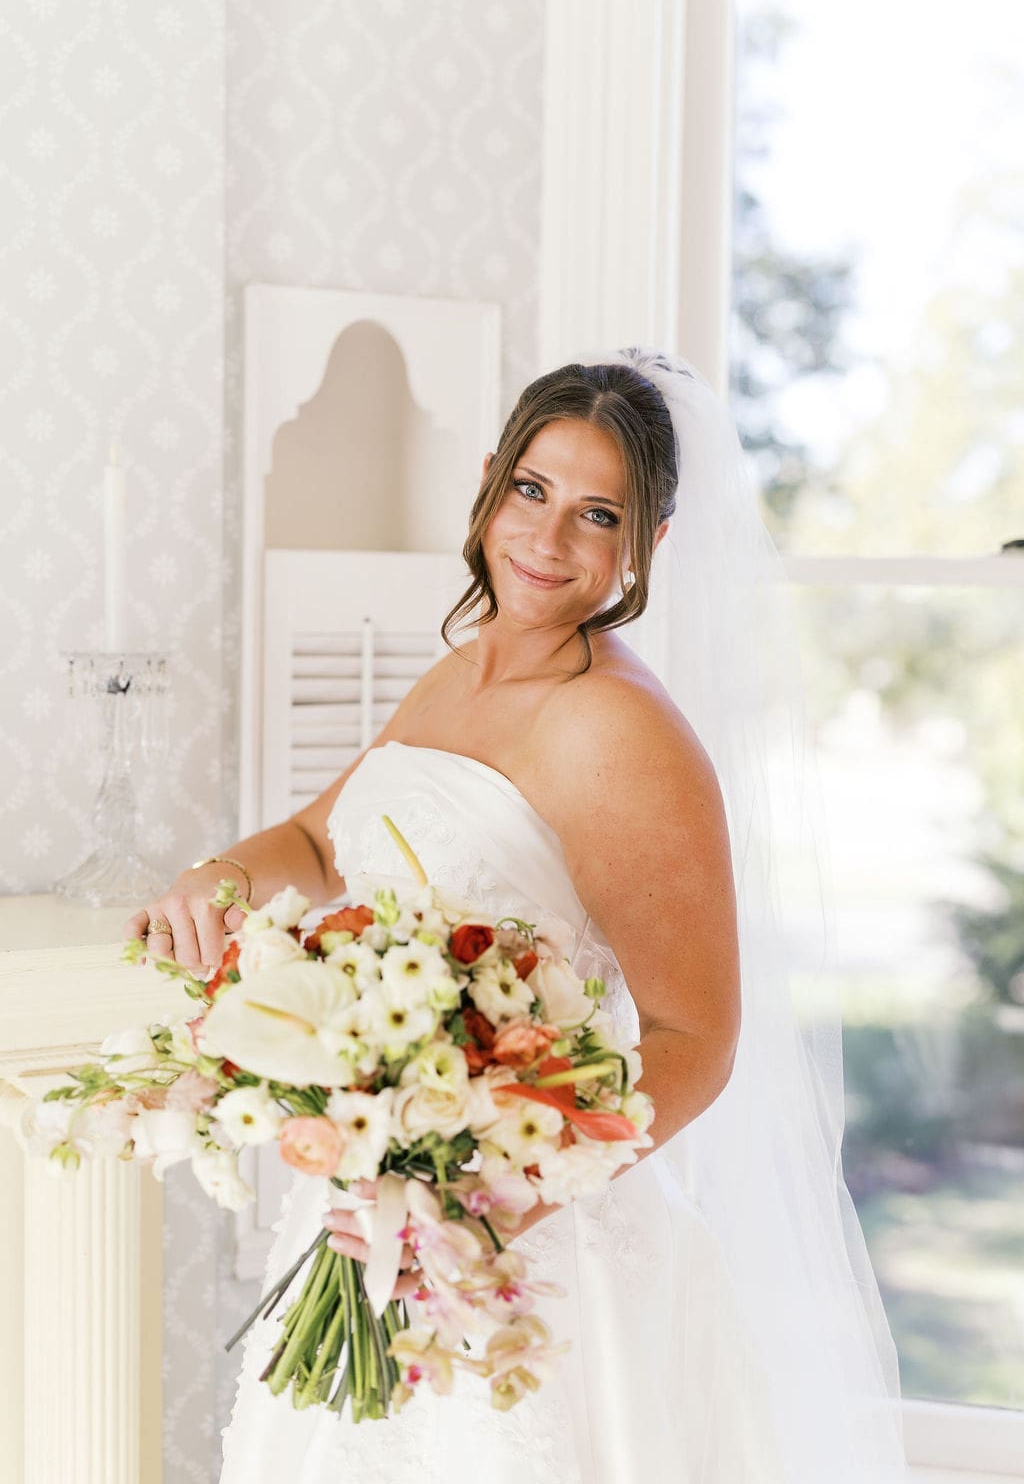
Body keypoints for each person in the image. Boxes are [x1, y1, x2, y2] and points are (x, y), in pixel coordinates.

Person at [126, 350, 909, 1483]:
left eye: (599, 514)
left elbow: (696, 1038)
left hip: (530, 1255)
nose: (547, 539)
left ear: (650, 542)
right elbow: (320, 843)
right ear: (491, 481)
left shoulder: (620, 730)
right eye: (532, 491)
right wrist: (215, 877)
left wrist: (487, 1206)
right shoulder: (467, 669)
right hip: (376, 1200)